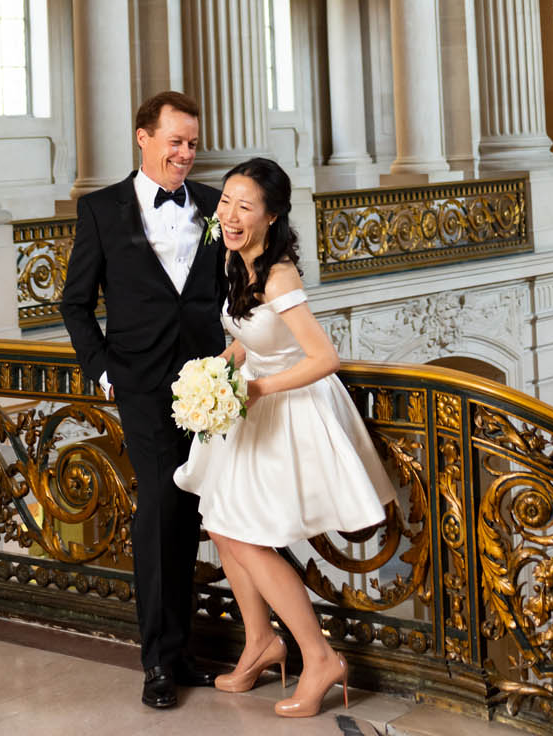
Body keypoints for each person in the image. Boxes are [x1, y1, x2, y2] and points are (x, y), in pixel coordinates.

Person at [174, 157, 394, 720]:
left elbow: (324, 358)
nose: (229, 214)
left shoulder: (280, 275)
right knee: (223, 530)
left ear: (270, 217)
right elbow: (252, 337)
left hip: (289, 413)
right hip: (252, 409)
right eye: (225, 202)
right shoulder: (232, 258)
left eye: (245, 207)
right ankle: (260, 643)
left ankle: (319, 658)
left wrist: (258, 389)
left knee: (245, 538)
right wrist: (218, 370)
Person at [60, 90, 225, 711]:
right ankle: (158, 660)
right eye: (174, 142)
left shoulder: (213, 205)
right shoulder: (100, 209)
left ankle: (189, 648)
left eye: (191, 143)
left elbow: (226, 287)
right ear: (142, 137)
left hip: (212, 385)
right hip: (143, 384)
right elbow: (75, 303)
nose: (185, 154)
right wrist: (104, 369)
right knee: (158, 510)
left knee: (200, 513)